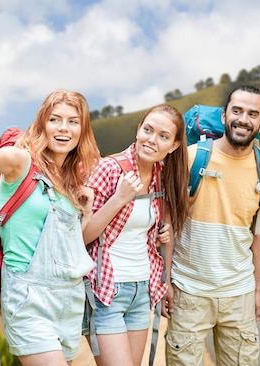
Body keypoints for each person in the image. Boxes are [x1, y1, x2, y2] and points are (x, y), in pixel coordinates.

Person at [0, 89, 100, 366]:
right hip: (30, 300)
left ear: (82, 130)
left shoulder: (70, 181)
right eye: (55, 119)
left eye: (73, 121)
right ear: (42, 124)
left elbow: (71, 246)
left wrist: (84, 211)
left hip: (70, 300)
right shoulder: (21, 163)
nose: (64, 128)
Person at [164, 85, 260, 365]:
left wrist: (257, 290)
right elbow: (167, 222)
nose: (243, 119)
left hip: (238, 294)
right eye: (237, 110)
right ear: (225, 114)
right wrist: (165, 281)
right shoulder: (190, 158)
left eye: (253, 114)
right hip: (188, 289)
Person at [82, 104, 189, 366]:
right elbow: (82, 236)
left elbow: (165, 231)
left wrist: (166, 283)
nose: (152, 140)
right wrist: (119, 198)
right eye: (148, 130)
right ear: (139, 129)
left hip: (142, 289)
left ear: (173, 146)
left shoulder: (162, 177)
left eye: (163, 136)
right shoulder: (108, 169)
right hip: (106, 290)